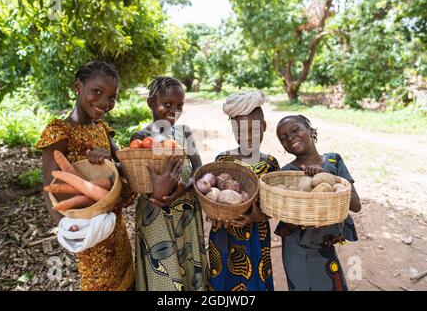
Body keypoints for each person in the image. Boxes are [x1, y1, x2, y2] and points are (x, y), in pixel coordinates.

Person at [36, 61, 134, 291]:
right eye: (97, 92)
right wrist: (68, 229)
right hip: (89, 229)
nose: (104, 102)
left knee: (125, 278)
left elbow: (124, 169)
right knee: (99, 283)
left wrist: (112, 163)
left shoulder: (102, 129)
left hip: (114, 224)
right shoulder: (60, 132)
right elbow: (50, 187)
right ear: (78, 87)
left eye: (111, 97)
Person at [132, 76, 208, 291]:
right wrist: (159, 194)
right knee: (164, 273)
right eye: (167, 104)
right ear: (151, 103)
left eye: (179, 106)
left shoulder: (184, 133)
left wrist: (185, 188)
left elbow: (199, 171)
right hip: (155, 215)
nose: (174, 110)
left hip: (186, 212)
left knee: (188, 268)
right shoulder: (141, 137)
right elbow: (137, 180)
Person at [275, 114, 361, 291]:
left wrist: (327, 178)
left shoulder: (333, 161)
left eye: (295, 130)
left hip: (325, 246)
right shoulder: (287, 173)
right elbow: (289, 218)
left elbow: (355, 205)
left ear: (310, 129)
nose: (290, 138)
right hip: (298, 249)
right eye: (283, 138)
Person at [208, 91, 279, 291]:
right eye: (239, 132)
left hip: (256, 234)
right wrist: (215, 214)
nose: (247, 137)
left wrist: (257, 216)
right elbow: (212, 194)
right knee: (223, 278)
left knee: (255, 277)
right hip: (223, 233)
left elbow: (276, 204)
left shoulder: (270, 164)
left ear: (263, 127)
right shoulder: (223, 159)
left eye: (253, 130)